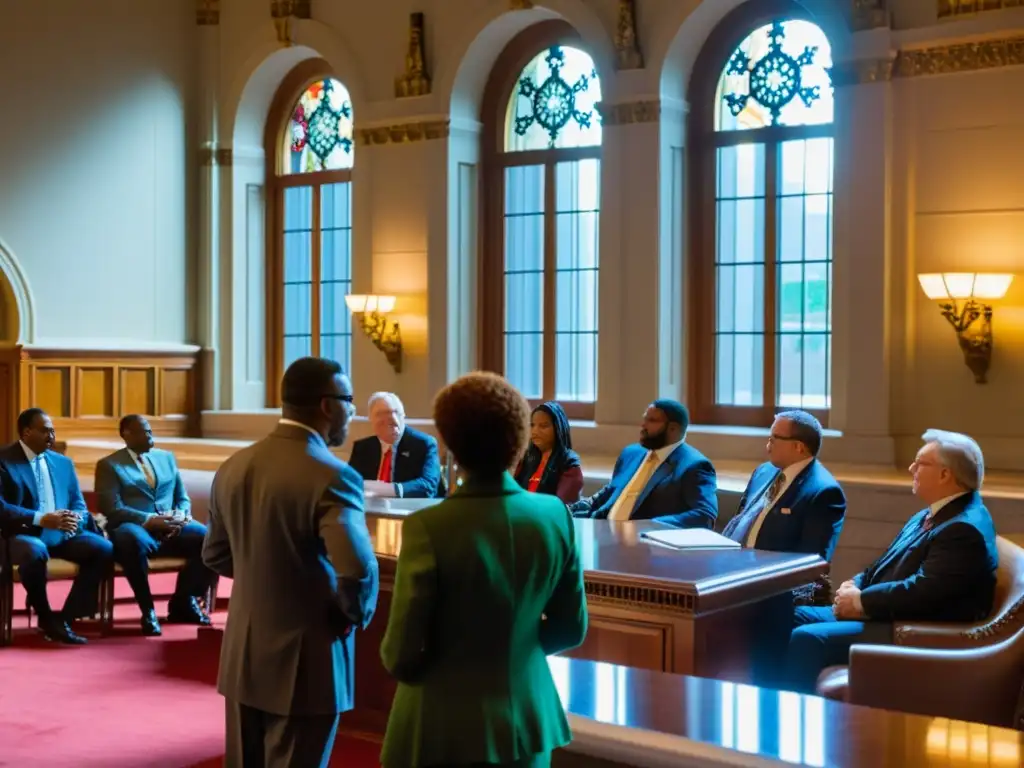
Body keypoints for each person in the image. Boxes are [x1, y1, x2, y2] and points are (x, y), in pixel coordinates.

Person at [380, 372, 587, 768]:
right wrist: (510, 654)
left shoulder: (430, 527)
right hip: (527, 713)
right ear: (519, 438)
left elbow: (401, 653)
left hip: (443, 719)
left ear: (450, 443)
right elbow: (570, 628)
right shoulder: (555, 516)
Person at [203, 357, 379, 767]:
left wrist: (265, 574)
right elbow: (355, 569)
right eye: (348, 400)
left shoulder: (233, 466)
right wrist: (353, 615)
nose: (352, 411)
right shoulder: (334, 476)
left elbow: (214, 554)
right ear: (326, 405)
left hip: (243, 654)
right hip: (308, 658)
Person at [783, 429, 999, 693]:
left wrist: (861, 602)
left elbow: (923, 592)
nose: (911, 468)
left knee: (808, 637)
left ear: (945, 474)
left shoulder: (963, 529)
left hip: (916, 629)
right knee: (787, 616)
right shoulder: (934, 512)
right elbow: (885, 562)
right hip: (890, 611)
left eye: (920, 463)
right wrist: (854, 585)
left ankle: (795, 715)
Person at [0, 408, 113, 644]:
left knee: (103, 549)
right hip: (22, 533)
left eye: (53, 431)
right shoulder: (5, 460)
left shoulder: (63, 463)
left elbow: (79, 503)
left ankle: (65, 618)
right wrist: (41, 518)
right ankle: (45, 616)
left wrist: (75, 518)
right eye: (45, 431)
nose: (51, 436)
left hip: (63, 533)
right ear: (27, 431)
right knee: (34, 551)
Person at [94, 414, 214, 636]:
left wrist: (180, 515)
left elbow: (182, 497)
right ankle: (147, 609)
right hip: (136, 527)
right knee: (130, 539)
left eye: (150, 430)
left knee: (209, 538)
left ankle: (184, 601)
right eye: (143, 431)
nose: (150, 435)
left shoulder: (166, 458)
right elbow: (111, 508)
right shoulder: (109, 465)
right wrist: (149, 520)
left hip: (172, 526)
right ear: (126, 434)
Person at [570, 399, 717, 529]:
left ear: (673, 428)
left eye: (652, 421)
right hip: (601, 530)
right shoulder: (631, 453)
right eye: (645, 419)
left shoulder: (694, 466)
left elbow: (704, 515)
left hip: (644, 546)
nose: (643, 425)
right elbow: (610, 491)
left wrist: (650, 526)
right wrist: (565, 510)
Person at [724, 410, 846, 561]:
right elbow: (740, 519)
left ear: (798, 447)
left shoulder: (824, 492)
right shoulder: (763, 472)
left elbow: (812, 562)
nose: (768, 445)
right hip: (730, 562)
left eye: (774, 439)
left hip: (767, 576)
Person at [348, 391, 441, 498]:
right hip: (369, 509)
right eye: (381, 416)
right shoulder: (363, 448)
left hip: (407, 510)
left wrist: (388, 490)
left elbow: (428, 486)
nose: (392, 418)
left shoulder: (424, 444)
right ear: (371, 420)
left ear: (403, 415)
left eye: (396, 413)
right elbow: (349, 483)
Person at [513, 402, 584, 505]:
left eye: (543, 426)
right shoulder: (526, 458)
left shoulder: (569, 464)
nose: (535, 431)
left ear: (558, 428)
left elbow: (561, 505)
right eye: (532, 425)